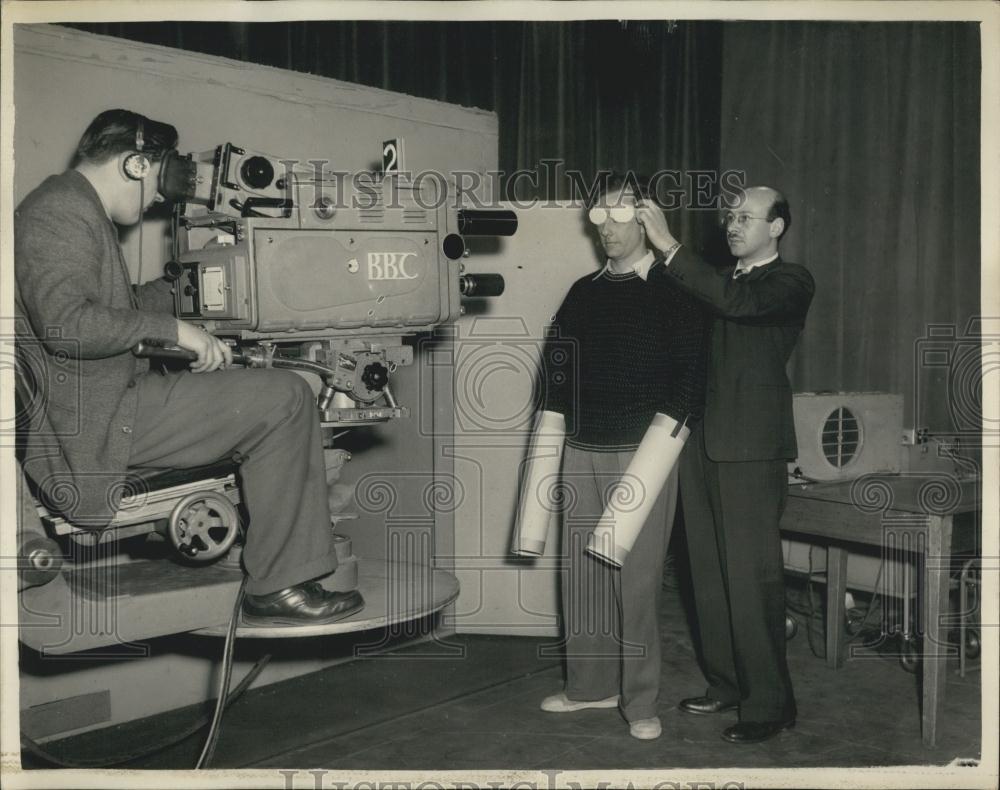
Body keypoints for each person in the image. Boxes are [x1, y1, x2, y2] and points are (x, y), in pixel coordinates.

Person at [14, 108, 363, 625]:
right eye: (160, 176)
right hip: (100, 423)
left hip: (105, 404)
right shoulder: (59, 211)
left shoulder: (69, 206)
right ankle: (282, 583)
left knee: (261, 392)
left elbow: (118, 305)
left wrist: (185, 284)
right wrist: (176, 331)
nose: (159, 196)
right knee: (286, 397)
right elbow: (70, 324)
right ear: (135, 164)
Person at [636, 185, 815, 744]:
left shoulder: (788, 282)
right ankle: (728, 685)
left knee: (752, 577)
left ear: (777, 228)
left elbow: (735, 305)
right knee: (706, 574)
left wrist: (666, 244)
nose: (733, 225)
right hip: (701, 442)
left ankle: (770, 703)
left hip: (752, 449)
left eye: (747, 217)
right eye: (730, 217)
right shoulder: (717, 280)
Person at [537, 175, 708, 740]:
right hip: (581, 450)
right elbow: (556, 371)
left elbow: (690, 376)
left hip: (642, 454)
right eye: (599, 216)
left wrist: (660, 447)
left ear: (645, 220)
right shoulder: (583, 291)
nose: (609, 227)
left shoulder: (673, 290)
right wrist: (553, 439)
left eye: (621, 214)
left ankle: (640, 703)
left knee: (634, 583)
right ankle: (590, 687)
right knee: (581, 575)